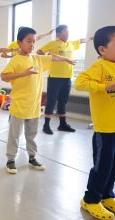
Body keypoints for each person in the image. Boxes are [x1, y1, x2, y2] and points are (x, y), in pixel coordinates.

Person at [1, 27, 74, 174]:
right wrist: (23, 73)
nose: (32, 45)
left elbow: (52, 57)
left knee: (31, 134)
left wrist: (66, 59)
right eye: (29, 41)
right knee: (14, 135)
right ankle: (10, 159)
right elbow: (4, 76)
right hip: (19, 105)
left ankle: (32, 157)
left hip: (34, 105)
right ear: (19, 43)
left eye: (34, 42)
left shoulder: (37, 59)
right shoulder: (16, 60)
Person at [75, 26, 115, 220]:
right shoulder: (100, 66)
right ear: (102, 50)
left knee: (114, 164)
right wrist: (104, 86)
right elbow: (79, 83)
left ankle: (107, 195)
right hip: (105, 128)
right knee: (103, 165)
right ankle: (91, 199)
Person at [37, 24, 93, 134]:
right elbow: (39, 52)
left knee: (63, 101)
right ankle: (46, 125)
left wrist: (90, 38)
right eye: (65, 32)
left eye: (68, 32)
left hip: (67, 77)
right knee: (52, 101)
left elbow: (81, 40)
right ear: (58, 33)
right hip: (54, 77)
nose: (68, 33)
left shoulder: (70, 44)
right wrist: (48, 56)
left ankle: (62, 124)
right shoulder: (52, 43)